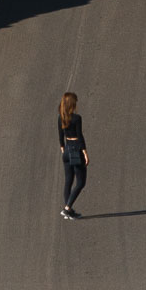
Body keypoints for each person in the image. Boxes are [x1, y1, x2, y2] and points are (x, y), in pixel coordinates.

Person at [57, 91, 88, 219]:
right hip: (76, 149)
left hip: (66, 149)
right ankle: (67, 208)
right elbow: (80, 136)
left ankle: (68, 210)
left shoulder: (61, 118)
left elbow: (60, 137)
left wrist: (64, 150)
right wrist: (85, 153)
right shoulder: (77, 118)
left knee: (68, 181)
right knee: (81, 182)